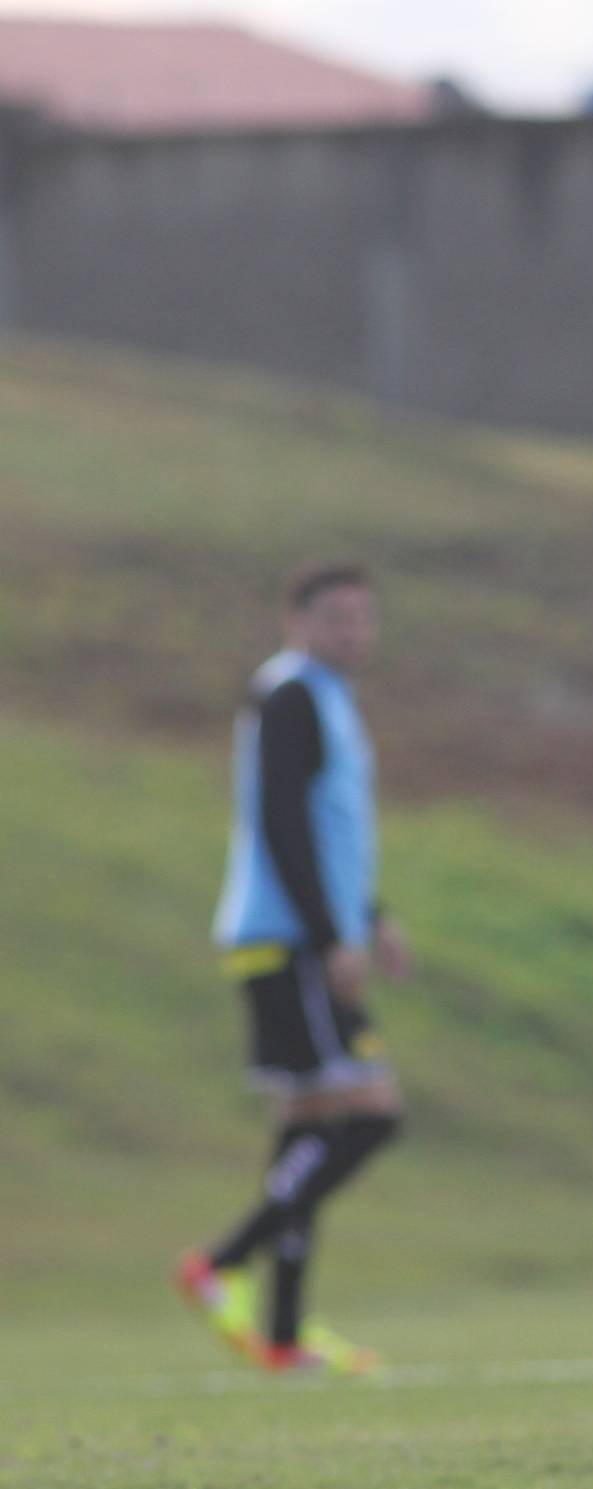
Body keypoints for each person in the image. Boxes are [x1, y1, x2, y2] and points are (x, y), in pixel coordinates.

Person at [175, 564, 405, 1376]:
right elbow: (279, 818)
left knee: (308, 1128)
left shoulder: (329, 699)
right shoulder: (290, 694)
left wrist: (371, 916)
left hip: (307, 933)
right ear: (296, 618)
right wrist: (327, 935)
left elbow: (332, 826)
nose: (352, 632)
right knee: (371, 1113)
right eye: (335, 617)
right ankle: (222, 1262)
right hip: (287, 939)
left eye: (362, 618)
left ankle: (281, 1334)